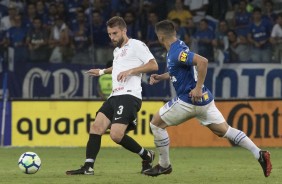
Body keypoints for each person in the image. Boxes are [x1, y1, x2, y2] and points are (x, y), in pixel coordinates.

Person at [142, 20, 272, 177]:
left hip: (188, 100)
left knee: (156, 124)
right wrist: (162, 77)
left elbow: (202, 61)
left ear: (160, 36)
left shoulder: (176, 52)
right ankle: (259, 154)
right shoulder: (179, 46)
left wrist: (197, 88)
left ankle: (164, 165)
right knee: (225, 130)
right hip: (205, 100)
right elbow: (181, 68)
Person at [66, 16, 158, 175]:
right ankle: (88, 167)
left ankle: (146, 155)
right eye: (109, 34)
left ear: (124, 30)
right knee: (96, 127)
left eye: (115, 33)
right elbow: (117, 67)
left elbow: (153, 64)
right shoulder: (117, 51)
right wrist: (102, 71)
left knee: (116, 135)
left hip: (129, 96)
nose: (112, 37)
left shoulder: (136, 45)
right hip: (114, 96)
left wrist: (131, 71)